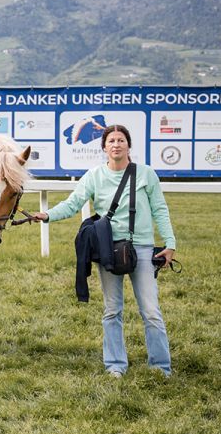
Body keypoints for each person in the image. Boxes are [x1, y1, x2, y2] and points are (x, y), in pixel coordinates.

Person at [31, 125, 176, 378]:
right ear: (104, 147)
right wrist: (47, 215)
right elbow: (73, 204)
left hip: (141, 248)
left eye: (121, 140)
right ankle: (115, 365)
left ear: (128, 145)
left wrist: (170, 243)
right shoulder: (94, 175)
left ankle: (160, 367)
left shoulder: (146, 174)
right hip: (108, 249)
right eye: (111, 141)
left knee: (151, 311)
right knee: (112, 310)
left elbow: (160, 209)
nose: (116, 145)